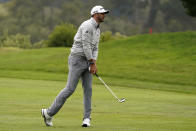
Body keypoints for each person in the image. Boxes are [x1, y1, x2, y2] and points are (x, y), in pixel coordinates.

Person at [41, 5, 109, 127]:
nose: (104, 15)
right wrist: (92, 63)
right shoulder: (87, 26)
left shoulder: (98, 29)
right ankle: (48, 113)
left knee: (88, 89)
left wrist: (93, 62)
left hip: (88, 60)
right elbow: (86, 46)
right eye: (101, 13)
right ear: (94, 14)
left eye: (104, 13)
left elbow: (95, 48)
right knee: (70, 89)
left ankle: (87, 118)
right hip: (77, 60)